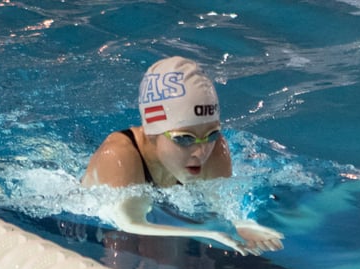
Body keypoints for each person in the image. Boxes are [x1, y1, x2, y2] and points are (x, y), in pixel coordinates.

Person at [82, 56, 283, 255]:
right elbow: (129, 224)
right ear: (153, 133)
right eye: (184, 138)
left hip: (157, 206)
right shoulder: (119, 156)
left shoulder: (216, 148)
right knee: (123, 251)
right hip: (88, 223)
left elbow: (219, 209)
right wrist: (208, 233)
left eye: (211, 134)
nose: (201, 151)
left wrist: (239, 224)